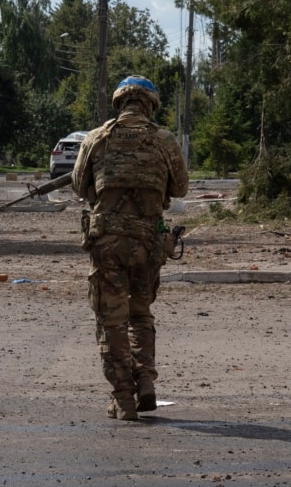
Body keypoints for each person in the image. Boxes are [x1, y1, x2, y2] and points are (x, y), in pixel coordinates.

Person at [71, 75, 189, 421]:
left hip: (108, 243)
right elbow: (180, 188)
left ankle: (123, 397)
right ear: (150, 104)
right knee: (140, 313)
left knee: (112, 320)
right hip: (148, 244)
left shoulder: (97, 138)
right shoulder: (164, 141)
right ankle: (146, 381)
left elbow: (79, 185)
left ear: (120, 102)